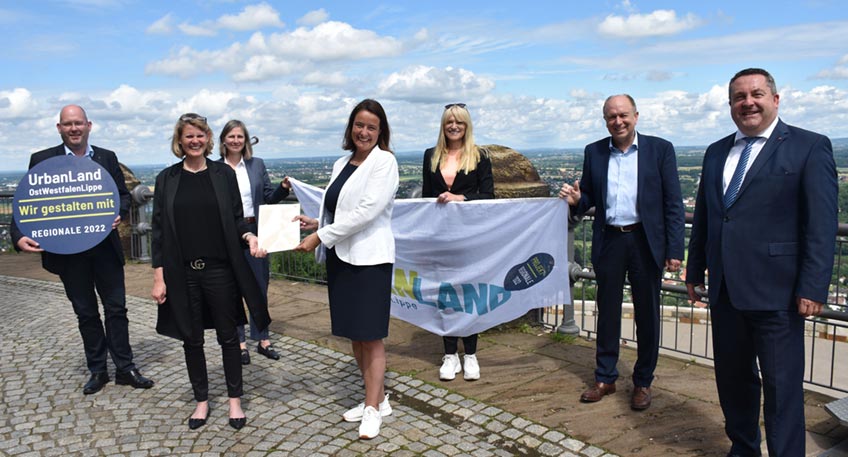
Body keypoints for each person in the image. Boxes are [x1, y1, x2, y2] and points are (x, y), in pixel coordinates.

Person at [686, 68, 837, 456]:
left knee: (782, 389)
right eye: (739, 97)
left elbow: (820, 225)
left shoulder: (809, 146)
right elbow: (706, 215)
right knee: (733, 382)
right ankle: (743, 449)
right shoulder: (716, 151)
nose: (747, 102)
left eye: (756, 94)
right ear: (731, 105)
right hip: (725, 293)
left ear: (775, 99)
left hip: (780, 294)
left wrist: (813, 286)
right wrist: (694, 268)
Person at [11, 104, 154, 395]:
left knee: (116, 309)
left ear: (88, 125)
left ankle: (125, 368)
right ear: (59, 128)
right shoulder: (41, 159)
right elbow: (28, 203)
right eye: (68, 124)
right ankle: (98, 370)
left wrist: (120, 212)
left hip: (104, 250)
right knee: (86, 312)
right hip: (67, 252)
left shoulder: (106, 157)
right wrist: (17, 236)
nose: (74, 128)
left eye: (78, 123)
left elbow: (124, 197)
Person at [560, 94, 685, 411]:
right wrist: (577, 199)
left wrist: (674, 249)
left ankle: (643, 382)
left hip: (645, 241)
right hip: (610, 240)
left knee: (647, 315)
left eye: (623, 115)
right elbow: (589, 196)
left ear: (636, 116)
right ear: (605, 120)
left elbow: (673, 204)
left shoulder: (661, 149)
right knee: (608, 313)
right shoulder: (595, 151)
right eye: (611, 117)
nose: (617, 121)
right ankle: (605, 377)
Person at [151, 113, 271, 431]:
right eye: (188, 136)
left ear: (208, 138)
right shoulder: (166, 179)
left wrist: (248, 235)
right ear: (179, 141)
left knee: (228, 337)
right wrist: (159, 276)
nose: (194, 141)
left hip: (220, 270)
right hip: (182, 273)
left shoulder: (222, 175)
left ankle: (234, 401)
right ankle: (201, 401)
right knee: (191, 340)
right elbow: (159, 231)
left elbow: (235, 219)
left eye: (200, 135)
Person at [293, 99, 398, 440]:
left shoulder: (385, 162)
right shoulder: (342, 162)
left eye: (371, 127)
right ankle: (378, 399)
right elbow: (338, 207)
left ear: (380, 131)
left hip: (370, 259)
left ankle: (371, 410)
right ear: (350, 127)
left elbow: (367, 212)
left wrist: (320, 237)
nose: (364, 132)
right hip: (342, 257)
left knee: (371, 335)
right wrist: (317, 223)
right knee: (355, 333)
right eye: (359, 125)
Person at [421, 103, 494, 381]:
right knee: (446, 294)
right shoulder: (431, 155)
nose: (454, 126)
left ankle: (471, 354)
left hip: (469, 235)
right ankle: (450, 354)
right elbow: (427, 197)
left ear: (467, 126)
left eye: (459, 122)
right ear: (443, 125)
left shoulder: (479, 156)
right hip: (440, 235)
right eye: (449, 122)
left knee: (469, 293)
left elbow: (489, 195)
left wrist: (461, 198)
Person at [219, 120, 290, 365]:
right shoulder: (216, 169)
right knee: (232, 290)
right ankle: (239, 343)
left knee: (260, 286)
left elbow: (269, 197)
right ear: (223, 140)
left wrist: (282, 188)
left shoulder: (256, 165)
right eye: (231, 136)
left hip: (257, 229)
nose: (236, 140)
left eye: (240, 136)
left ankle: (263, 339)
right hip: (228, 233)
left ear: (245, 140)